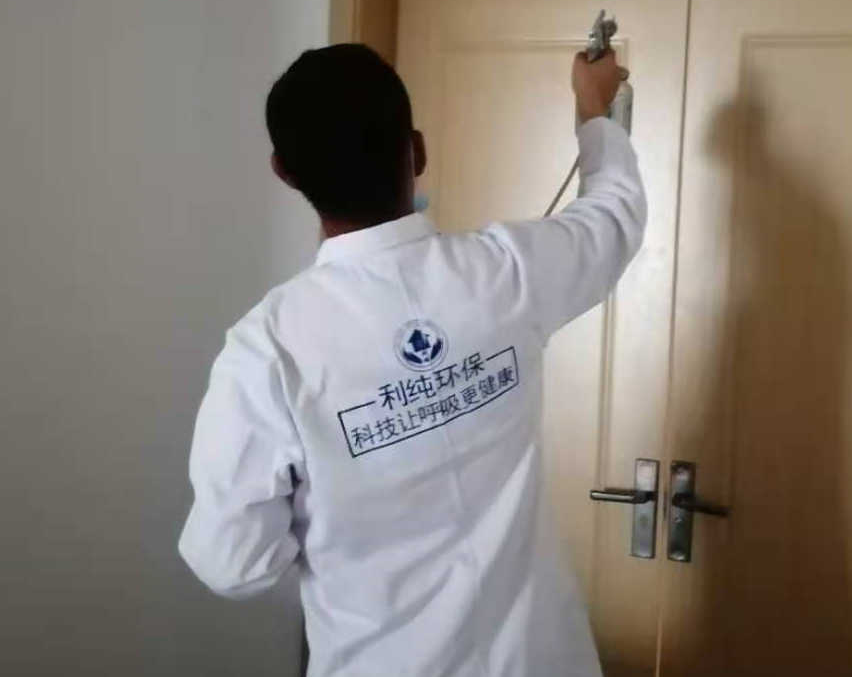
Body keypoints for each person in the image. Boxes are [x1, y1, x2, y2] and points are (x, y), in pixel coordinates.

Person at [178, 42, 646, 677]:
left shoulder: (267, 351)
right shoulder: (507, 272)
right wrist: (594, 108)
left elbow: (233, 563)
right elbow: (613, 216)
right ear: (417, 151)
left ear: (284, 173)